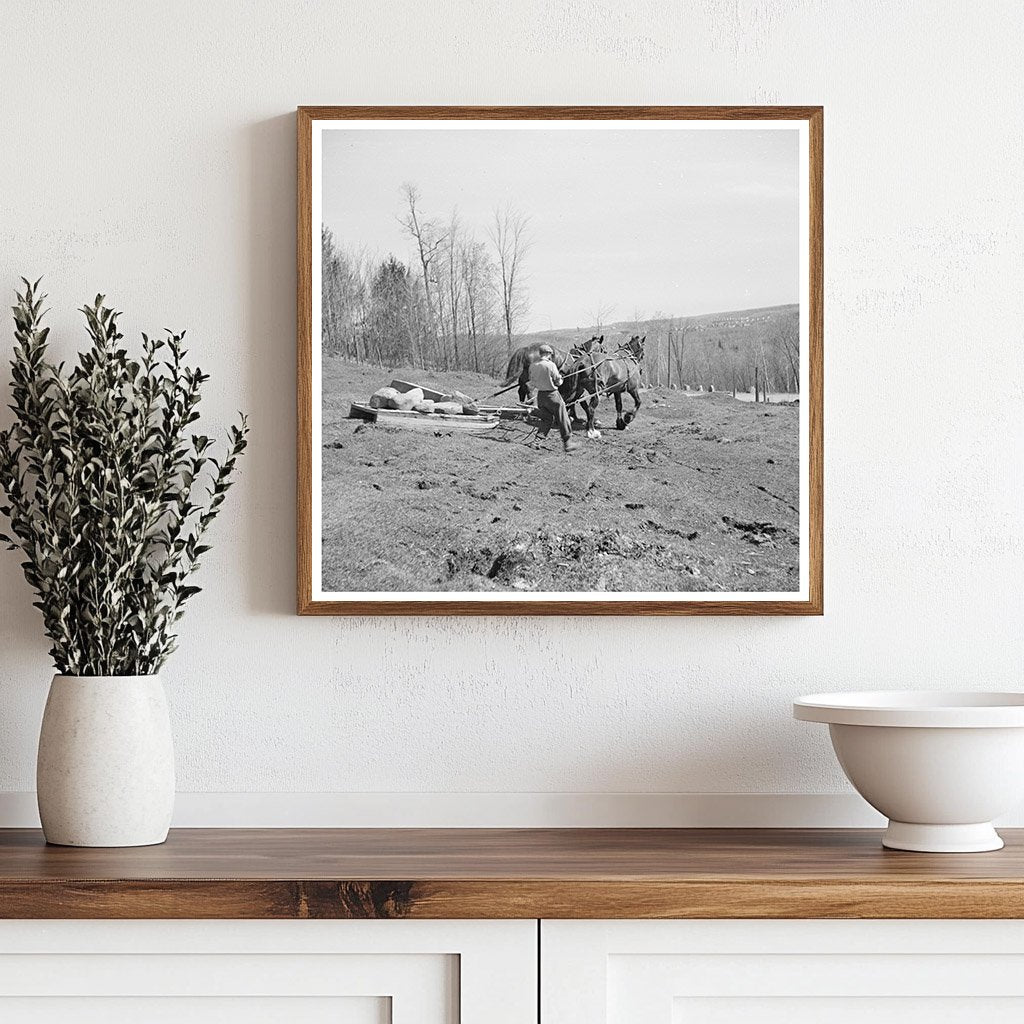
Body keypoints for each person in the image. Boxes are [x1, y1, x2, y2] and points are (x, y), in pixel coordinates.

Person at [529, 344, 578, 453]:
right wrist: (560, 380)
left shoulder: (533, 365)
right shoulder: (550, 365)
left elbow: (532, 381)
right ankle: (568, 443)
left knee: (546, 419)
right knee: (563, 418)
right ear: (547, 354)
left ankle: (536, 442)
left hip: (540, 396)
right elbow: (558, 382)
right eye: (550, 354)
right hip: (552, 395)